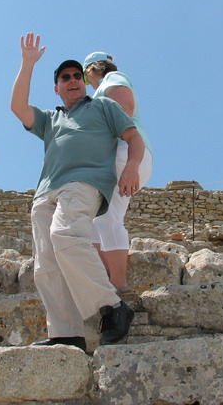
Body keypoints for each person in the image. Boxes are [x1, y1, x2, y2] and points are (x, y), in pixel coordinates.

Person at [11, 33, 145, 351]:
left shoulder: (102, 107)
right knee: (45, 264)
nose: (72, 80)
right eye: (64, 77)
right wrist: (27, 64)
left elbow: (133, 137)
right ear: (56, 87)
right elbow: (18, 107)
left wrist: (132, 166)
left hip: (84, 183)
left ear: (84, 83)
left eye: (77, 76)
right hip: (45, 192)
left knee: (66, 236)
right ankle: (66, 333)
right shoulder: (50, 118)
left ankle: (112, 307)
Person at [83, 52, 153, 291]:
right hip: (124, 155)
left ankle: (119, 286)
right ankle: (105, 279)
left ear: (93, 68)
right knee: (94, 221)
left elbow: (125, 105)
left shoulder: (113, 78)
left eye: (85, 75)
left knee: (106, 218)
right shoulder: (102, 89)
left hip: (125, 151)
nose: (86, 82)